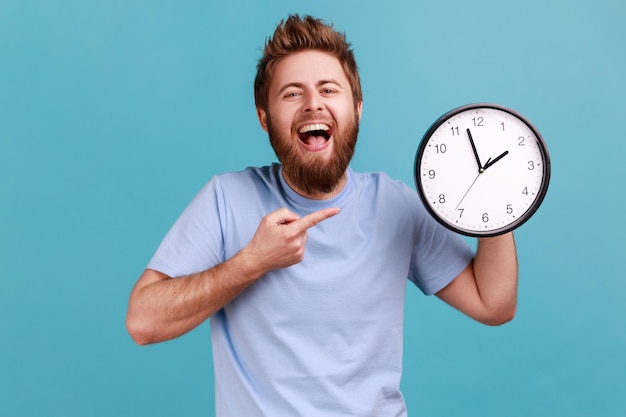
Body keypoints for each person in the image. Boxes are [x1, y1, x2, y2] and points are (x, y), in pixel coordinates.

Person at [126, 14, 518, 416]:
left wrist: (492, 206)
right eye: (292, 94)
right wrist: (251, 263)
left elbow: (494, 304)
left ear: (357, 109)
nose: (314, 103)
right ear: (264, 118)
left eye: (329, 89)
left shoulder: (395, 205)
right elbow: (143, 321)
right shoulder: (226, 198)